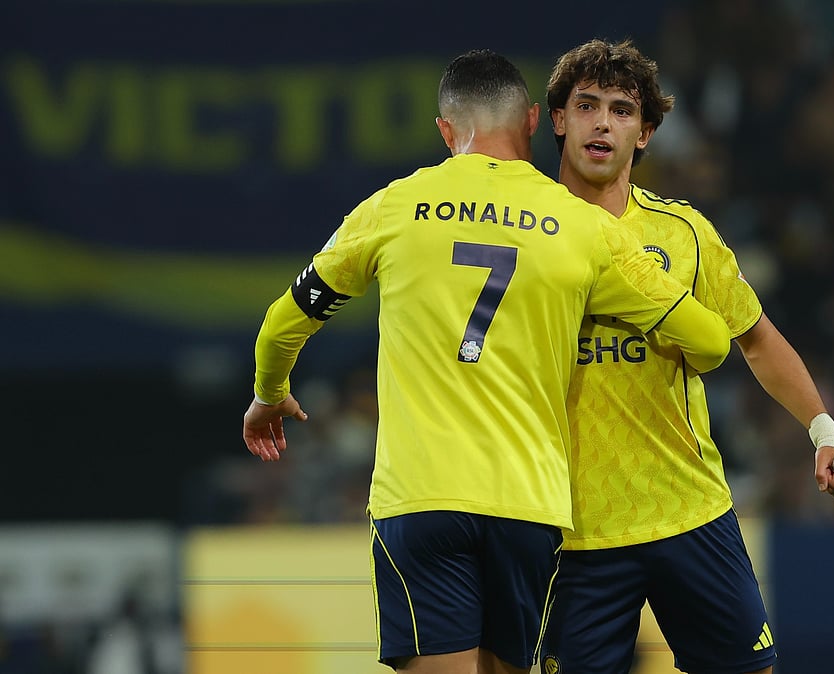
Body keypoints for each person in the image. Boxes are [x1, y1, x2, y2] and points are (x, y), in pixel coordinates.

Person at [241, 49, 733, 674]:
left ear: (446, 130)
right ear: (532, 121)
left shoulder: (396, 206)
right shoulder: (586, 229)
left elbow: (286, 320)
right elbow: (711, 342)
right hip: (528, 509)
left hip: (422, 499)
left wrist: (269, 392)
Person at [538, 39, 834, 674]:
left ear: (647, 132)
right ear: (557, 120)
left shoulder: (682, 233)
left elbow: (757, 338)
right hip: (571, 529)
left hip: (688, 510)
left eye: (623, 110)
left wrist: (823, 429)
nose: (602, 123)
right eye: (586, 105)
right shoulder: (522, 232)